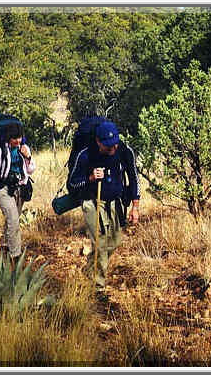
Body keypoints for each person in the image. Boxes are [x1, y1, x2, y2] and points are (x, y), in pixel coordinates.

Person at [67, 120, 140, 300]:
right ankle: (97, 288)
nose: (113, 147)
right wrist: (90, 178)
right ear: (98, 142)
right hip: (93, 202)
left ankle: (89, 269)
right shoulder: (85, 154)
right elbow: (72, 184)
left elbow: (134, 178)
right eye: (108, 146)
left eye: (115, 143)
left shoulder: (124, 151)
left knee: (113, 243)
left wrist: (135, 207)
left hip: (116, 202)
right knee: (99, 244)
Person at [0, 123, 35, 261]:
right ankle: (16, 255)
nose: (18, 141)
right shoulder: (0, 151)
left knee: (11, 220)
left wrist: (28, 157)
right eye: (15, 138)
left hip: (20, 189)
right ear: (9, 137)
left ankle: (5, 246)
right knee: (14, 220)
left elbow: (31, 170)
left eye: (19, 137)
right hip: (4, 190)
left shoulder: (24, 148)